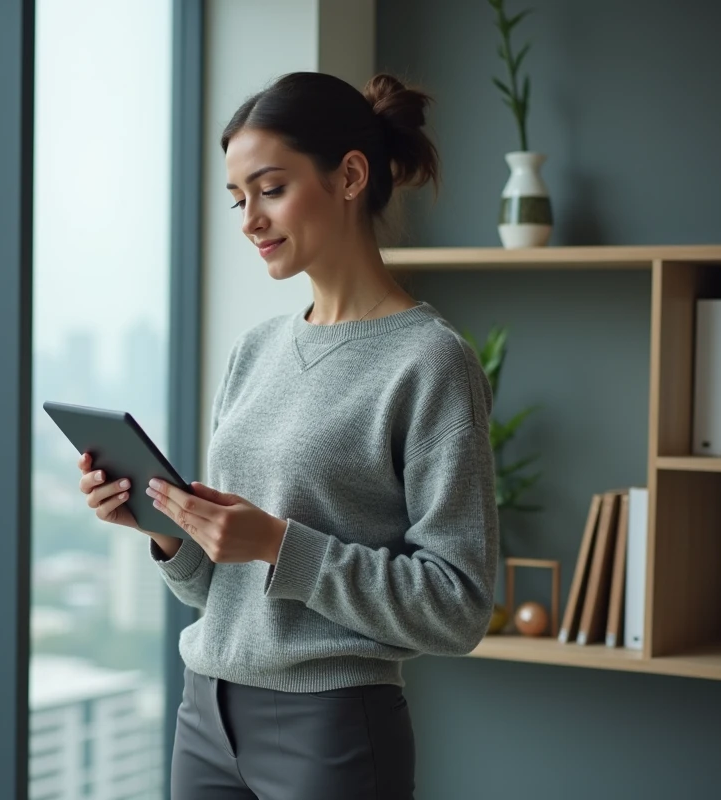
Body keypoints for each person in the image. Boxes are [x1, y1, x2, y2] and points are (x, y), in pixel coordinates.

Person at [77, 71, 498, 800]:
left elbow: (457, 606)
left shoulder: (430, 360)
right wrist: (170, 533)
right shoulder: (256, 350)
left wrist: (278, 545)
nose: (248, 220)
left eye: (269, 190)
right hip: (205, 711)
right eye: (238, 199)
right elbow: (220, 593)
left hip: (330, 728)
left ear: (350, 176)